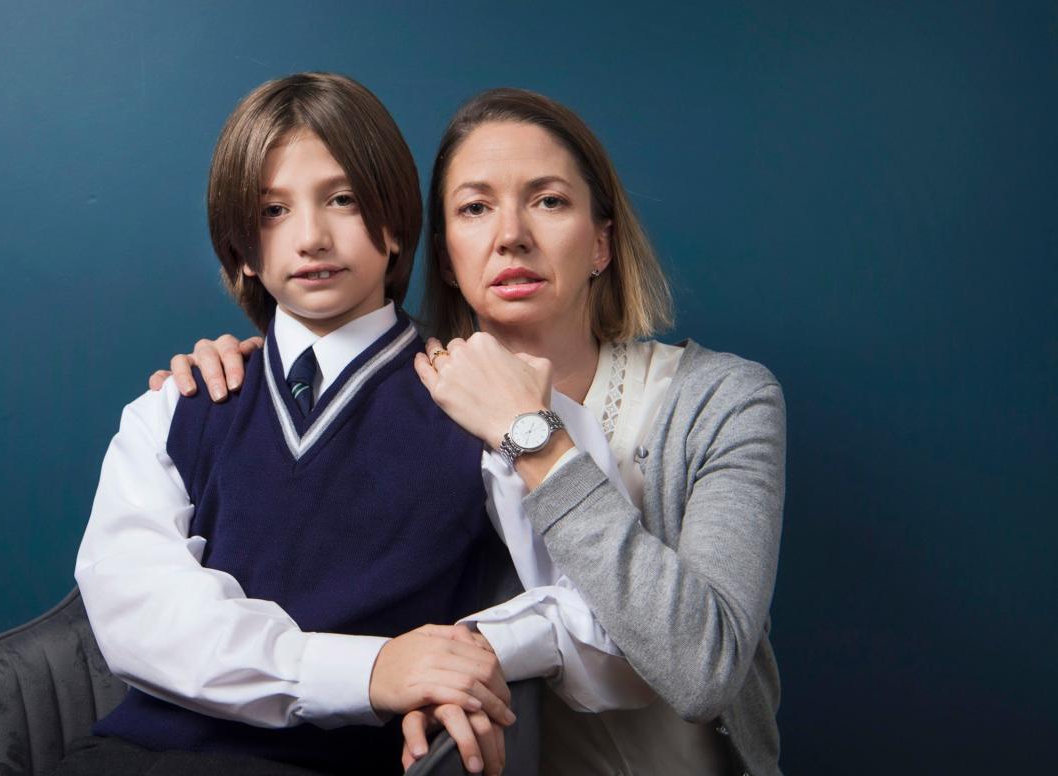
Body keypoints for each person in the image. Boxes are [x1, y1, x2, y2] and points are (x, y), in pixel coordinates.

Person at [158, 88, 787, 776]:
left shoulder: (719, 398)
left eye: (549, 201)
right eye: (474, 208)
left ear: (601, 241)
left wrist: (532, 440)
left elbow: (703, 669)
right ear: (446, 254)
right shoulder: (407, 406)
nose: (511, 234)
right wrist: (239, 381)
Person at [63, 73, 519, 776]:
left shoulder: (477, 403)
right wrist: (366, 669)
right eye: (272, 211)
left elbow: (578, 607)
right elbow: (139, 609)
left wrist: (456, 659)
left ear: (394, 223)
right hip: (136, 753)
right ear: (241, 248)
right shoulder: (176, 405)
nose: (310, 237)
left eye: (341, 199)